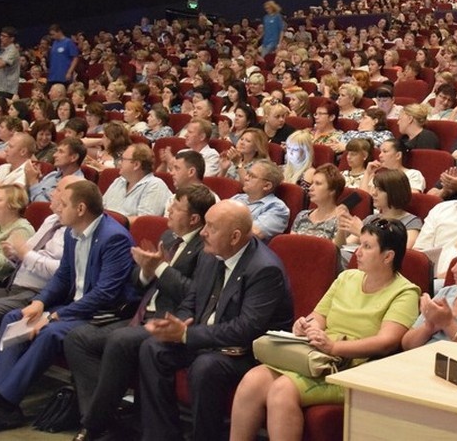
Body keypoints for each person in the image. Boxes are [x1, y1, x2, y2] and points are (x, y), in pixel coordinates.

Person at [0, 180, 135, 436]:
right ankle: (2, 406)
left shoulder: (114, 237)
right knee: (15, 317)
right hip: (73, 304)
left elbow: (105, 293)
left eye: (63, 204)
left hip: (102, 313)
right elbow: (63, 277)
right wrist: (40, 302)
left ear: (80, 208)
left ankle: (2, 401)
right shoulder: (71, 232)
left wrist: (56, 314)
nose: (58, 208)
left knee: (50, 331)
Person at [229, 218, 418, 441]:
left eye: (367, 247)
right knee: (252, 380)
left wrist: (335, 346)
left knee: (282, 390)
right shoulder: (347, 277)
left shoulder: (405, 292)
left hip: (353, 368)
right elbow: (319, 316)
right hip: (317, 355)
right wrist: (307, 325)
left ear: (388, 256)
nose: (358, 252)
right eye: (360, 244)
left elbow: (387, 342)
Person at [64, 184, 215, 441]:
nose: (169, 209)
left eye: (177, 207)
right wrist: (146, 270)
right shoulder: (169, 237)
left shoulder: (207, 247)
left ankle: (93, 426)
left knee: (120, 340)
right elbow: (138, 282)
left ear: (194, 219)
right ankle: (106, 420)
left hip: (169, 321)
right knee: (77, 339)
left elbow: (196, 294)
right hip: (140, 314)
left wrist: (160, 269)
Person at [137, 200, 294, 441]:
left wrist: (187, 335)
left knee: (206, 367)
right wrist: (175, 325)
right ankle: (162, 435)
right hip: (207, 339)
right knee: (153, 348)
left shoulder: (264, 269)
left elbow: (246, 328)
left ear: (235, 237)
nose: (202, 232)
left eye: (211, 227)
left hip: (246, 353)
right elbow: (192, 300)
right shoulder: (210, 255)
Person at [0, 174, 71, 395]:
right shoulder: (51, 221)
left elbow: (5, 267)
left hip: (36, 291)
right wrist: (17, 254)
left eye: (58, 190)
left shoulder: (31, 228)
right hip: (13, 284)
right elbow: (22, 256)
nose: (51, 192)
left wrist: (23, 253)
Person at [337, 168, 422, 250]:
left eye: (380, 190)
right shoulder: (372, 219)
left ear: (394, 193)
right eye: (374, 188)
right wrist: (342, 226)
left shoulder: (412, 222)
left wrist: (362, 232)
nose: (373, 193)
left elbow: (403, 252)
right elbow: (342, 247)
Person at [102, 144, 172, 223]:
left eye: (123, 159)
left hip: (128, 233)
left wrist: (110, 221)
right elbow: (101, 208)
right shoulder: (119, 181)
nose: (119, 163)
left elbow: (144, 222)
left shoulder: (155, 185)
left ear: (136, 165)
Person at [231, 159, 290, 240]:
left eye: (252, 176)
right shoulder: (238, 198)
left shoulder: (277, 208)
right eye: (247, 174)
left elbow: (253, 233)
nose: (246, 178)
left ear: (267, 186)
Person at [290, 164, 345, 240]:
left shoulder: (340, 221)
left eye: (318, 184)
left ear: (332, 190)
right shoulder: (302, 216)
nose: (310, 188)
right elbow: (290, 246)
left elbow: (336, 250)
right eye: (312, 183)